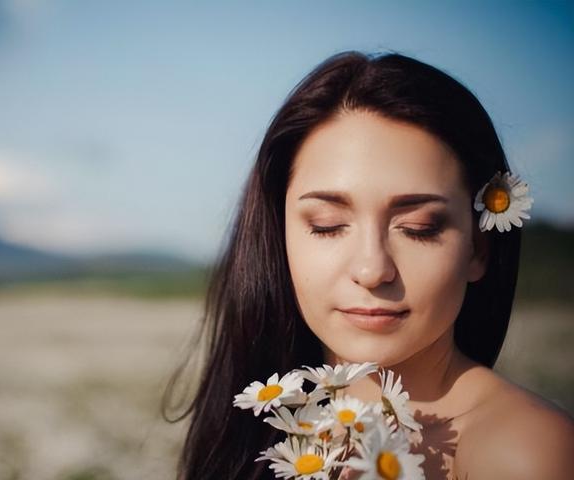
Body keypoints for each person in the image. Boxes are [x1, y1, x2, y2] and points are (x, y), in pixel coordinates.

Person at [162, 50, 574, 479]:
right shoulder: (268, 433)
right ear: (278, 237)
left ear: (478, 248)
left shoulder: (526, 452)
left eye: (419, 227)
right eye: (328, 226)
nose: (372, 269)